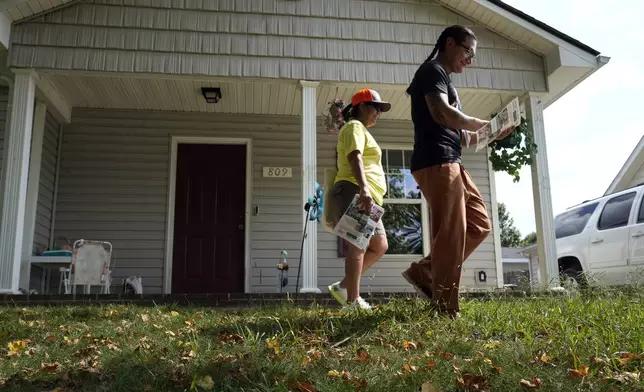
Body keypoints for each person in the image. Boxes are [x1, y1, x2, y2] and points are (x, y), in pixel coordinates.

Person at [401, 25, 515, 318]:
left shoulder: (446, 79)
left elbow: (462, 135)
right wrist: (483, 123)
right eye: (468, 52)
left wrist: (494, 133)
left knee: (479, 223)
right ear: (450, 44)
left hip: (452, 159)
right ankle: (445, 308)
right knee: (452, 233)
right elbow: (443, 113)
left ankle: (425, 271)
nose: (470, 60)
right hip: (436, 161)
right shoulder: (432, 71)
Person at [327, 89, 391, 310]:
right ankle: (353, 301)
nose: (379, 113)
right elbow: (355, 156)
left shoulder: (362, 130)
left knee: (380, 245)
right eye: (376, 107)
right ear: (361, 106)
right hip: (355, 189)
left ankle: (344, 286)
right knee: (359, 243)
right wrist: (364, 188)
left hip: (369, 196)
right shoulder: (354, 127)